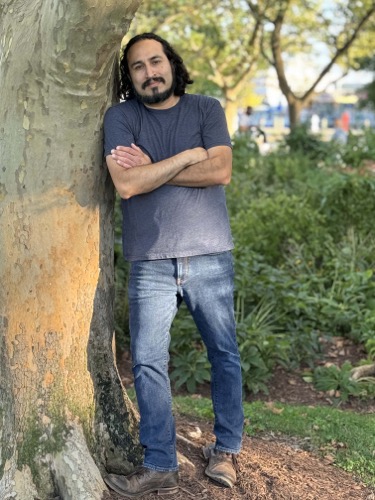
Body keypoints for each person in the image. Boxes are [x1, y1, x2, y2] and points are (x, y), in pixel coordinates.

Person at [102, 32, 244, 498]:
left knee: (223, 353)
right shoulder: (121, 117)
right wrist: (185, 157)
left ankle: (225, 450)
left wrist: (153, 170)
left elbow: (220, 170)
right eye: (138, 66)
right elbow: (126, 183)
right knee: (146, 361)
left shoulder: (205, 109)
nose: (149, 72)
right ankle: (160, 464)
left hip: (210, 255)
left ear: (171, 63)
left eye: (155, 61)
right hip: (150, 262)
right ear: (130, 76)